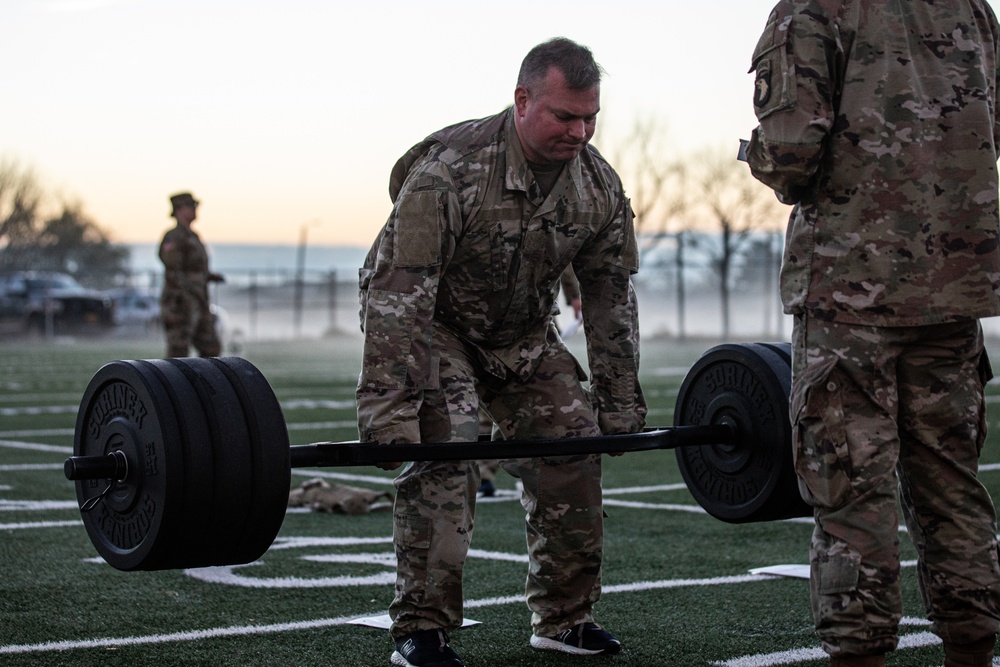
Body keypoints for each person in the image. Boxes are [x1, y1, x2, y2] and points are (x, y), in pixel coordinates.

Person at [357, 37, 645, 667]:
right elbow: (399, 291)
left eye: (590, 117)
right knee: (449, 447)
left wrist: (621, 404)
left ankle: (564, 619)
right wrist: (389, 408)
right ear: (522, 101)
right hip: (435, 324)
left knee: (575, 442)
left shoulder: (597, 186)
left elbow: (609, 297)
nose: (580, 130)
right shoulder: (451, 171)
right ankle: (421, 630)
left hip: (521, 335)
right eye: (565, 116)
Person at [745, 2, 1000, 666]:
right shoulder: (971, 8)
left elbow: (793, 152)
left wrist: (756, 157)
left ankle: (860, 650)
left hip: (850, 294)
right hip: (953, 290)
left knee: (851, 498)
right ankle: (973, 651)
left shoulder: (812, 8)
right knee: (955, 494)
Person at [158, 192, 224, 357]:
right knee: (179, 349)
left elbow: (195, 268)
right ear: (179, 210)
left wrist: (208, 277)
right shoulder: (174, 237)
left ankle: (208, 380)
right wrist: (185, 292)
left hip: (198, 299)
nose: (195, 210)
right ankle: (174, 382)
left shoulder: (193, 236)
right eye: (191, 206)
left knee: (211, 347)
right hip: (180, 301)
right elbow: (173, 269)